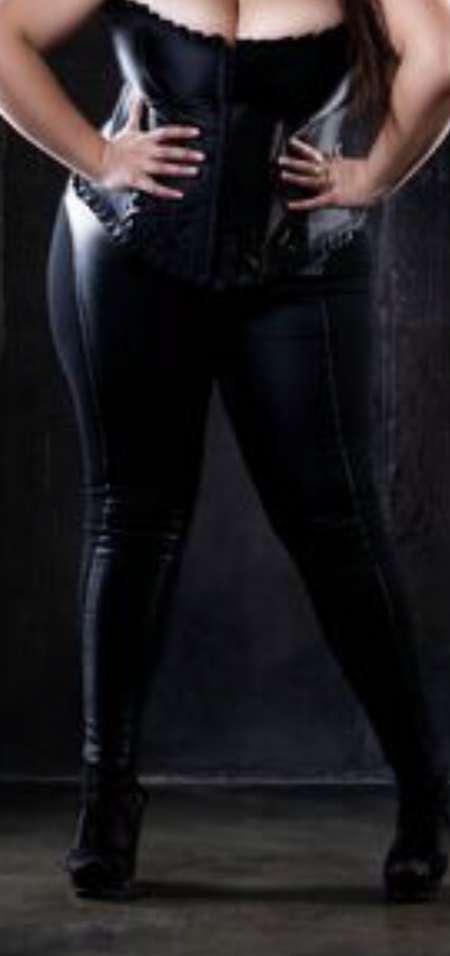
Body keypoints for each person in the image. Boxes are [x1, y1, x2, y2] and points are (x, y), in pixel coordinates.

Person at [0, 0, 450, 904]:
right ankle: (106, 801)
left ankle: (421, 794)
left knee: (335, 530)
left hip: (298, 260)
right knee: (131, 518)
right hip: (124, 244)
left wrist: (371, 177)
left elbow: (440, 61)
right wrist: (98, 157)